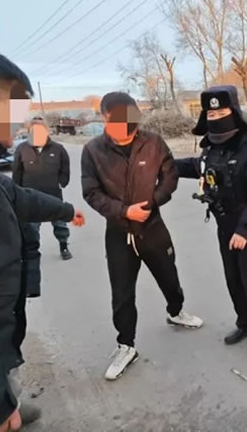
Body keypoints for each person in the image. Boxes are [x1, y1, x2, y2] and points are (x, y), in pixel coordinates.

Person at [0, 49, 85, 432]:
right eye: (16, 109)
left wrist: (66, 211)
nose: (20, 124)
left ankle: (8, 396)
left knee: (5, 380)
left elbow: (19, 198)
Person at [81, 92, 203, 381]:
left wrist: (153, 203)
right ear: (104, 118)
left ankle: (176, 311)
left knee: (169, 276)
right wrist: (124, 211)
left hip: (153, 228)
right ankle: (126, 345)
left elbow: (170, 176)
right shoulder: (93, 151)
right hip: (119, 233)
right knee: (122, 293)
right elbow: (91, 192)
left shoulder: (153, 142)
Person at [175, 85, 247, 366]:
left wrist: (244, 230)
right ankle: (246, 323)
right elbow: (198, 167)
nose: (216, 117)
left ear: (233, 112)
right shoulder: (211, 148)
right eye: (211, 113)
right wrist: (166, 165)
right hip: (225, 223)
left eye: (221, 112)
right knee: (233, 279)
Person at [12, 117, 72, 298]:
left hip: (53, 195)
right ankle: (32, 253)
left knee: (60, 224)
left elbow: (65, 168)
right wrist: (18, 192)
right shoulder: (22, 149)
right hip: (30, 199)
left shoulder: (58, 149)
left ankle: (63, 246)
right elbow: (16, 172)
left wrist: (62, 183)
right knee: (31, 228)